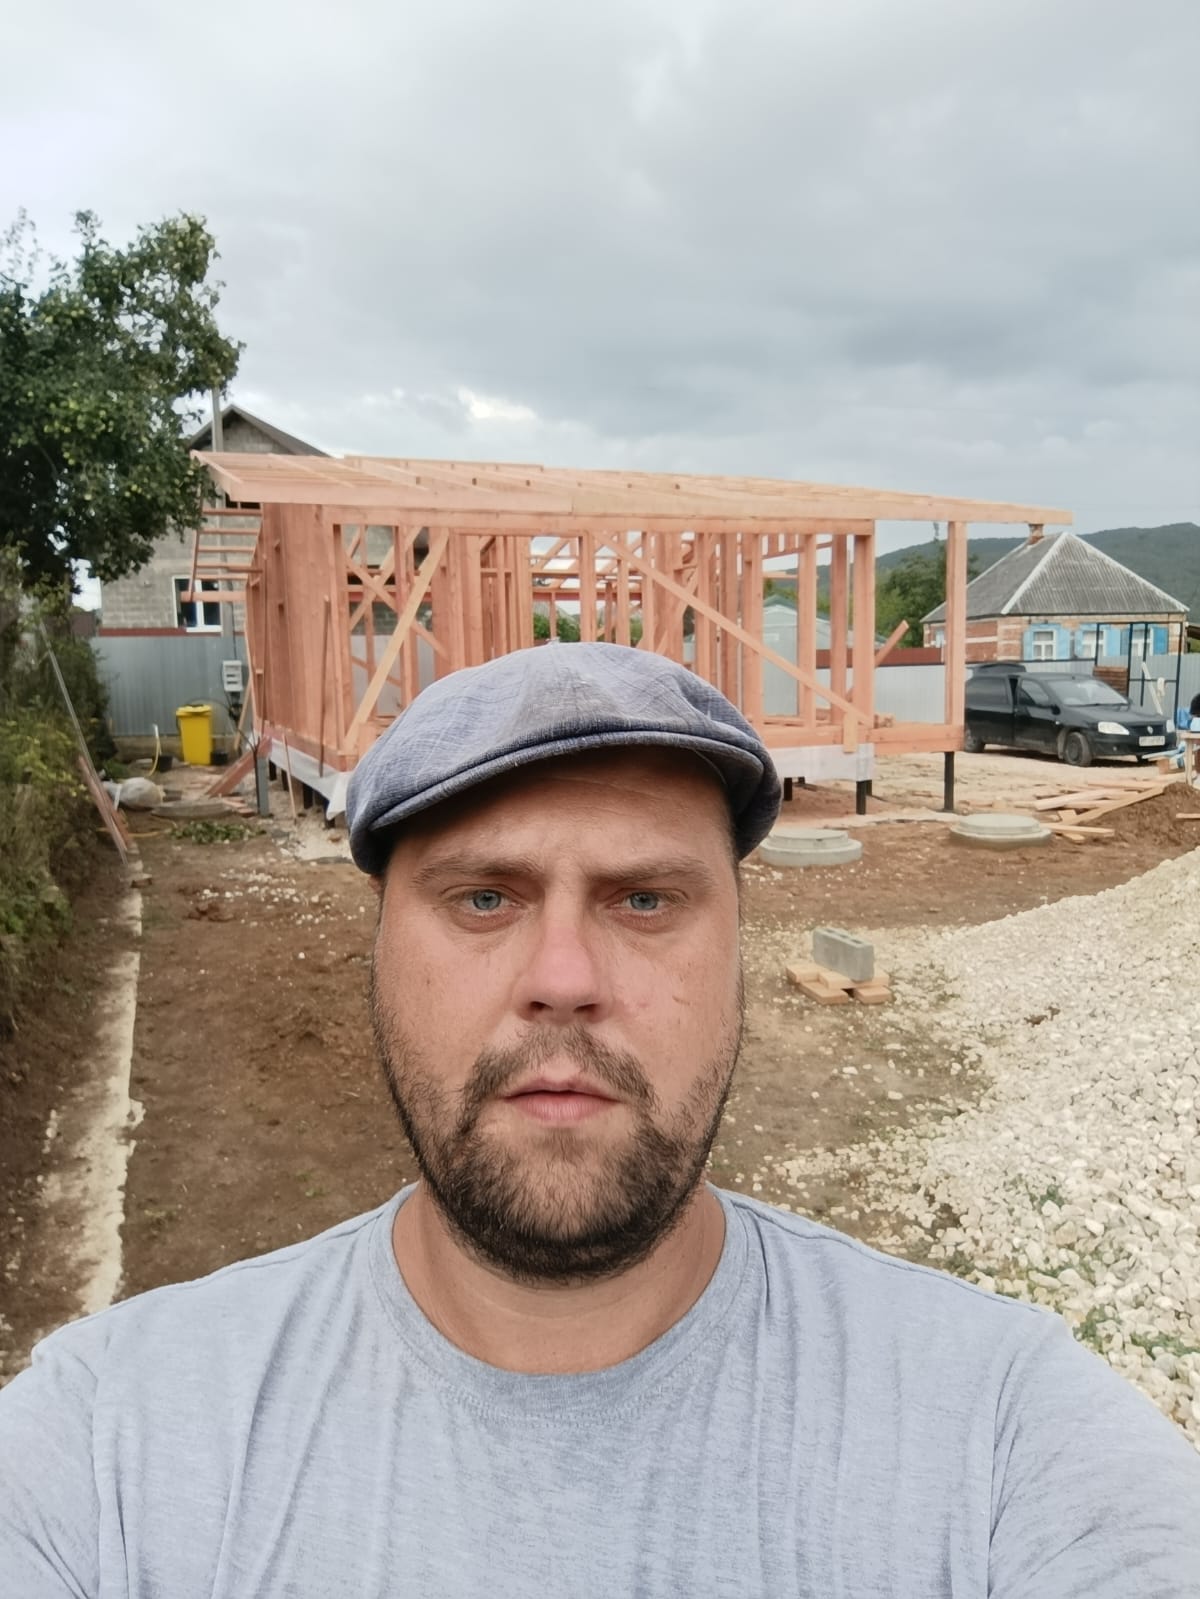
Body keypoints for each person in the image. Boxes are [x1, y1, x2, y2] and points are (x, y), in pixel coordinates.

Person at [1, 643, 1198, 1597]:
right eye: (483, 897)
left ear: (738, 953)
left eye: (645, 899)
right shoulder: (110, 1444)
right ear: (378, 954)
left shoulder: (1002, 1437)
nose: (564, 978)